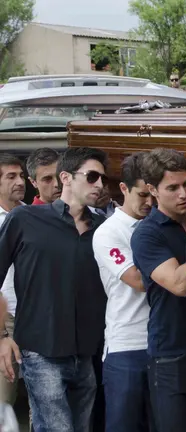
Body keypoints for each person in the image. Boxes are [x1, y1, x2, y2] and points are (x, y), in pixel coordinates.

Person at [0, 147, 109, 432]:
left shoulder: (103, 228)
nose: (99, 184)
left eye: (102, 179)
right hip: (40, 349)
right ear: (67, 178)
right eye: (92, 176)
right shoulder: (24, 220)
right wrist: (1, 336)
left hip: (87, 352)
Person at [130, 148, 186, 432]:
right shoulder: (147, 233)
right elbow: (179, 284)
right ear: (153, 190)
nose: (184, 194)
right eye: (172, 188)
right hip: (171, 352)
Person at [92, 153, 154, 432]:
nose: (149, 202)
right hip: (126, 345)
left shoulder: (162, 224)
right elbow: (137, 280)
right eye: (142, 195)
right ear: (124, 189)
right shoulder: (108, 232)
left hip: (165, 344)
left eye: (152, 194)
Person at [0, 155, 25, 406]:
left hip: (33, 315)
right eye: (11, 176)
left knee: (39, 399)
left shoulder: (32, 216)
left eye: (21, 175)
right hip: (4, 317)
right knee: (4, 400)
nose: (19, 181)